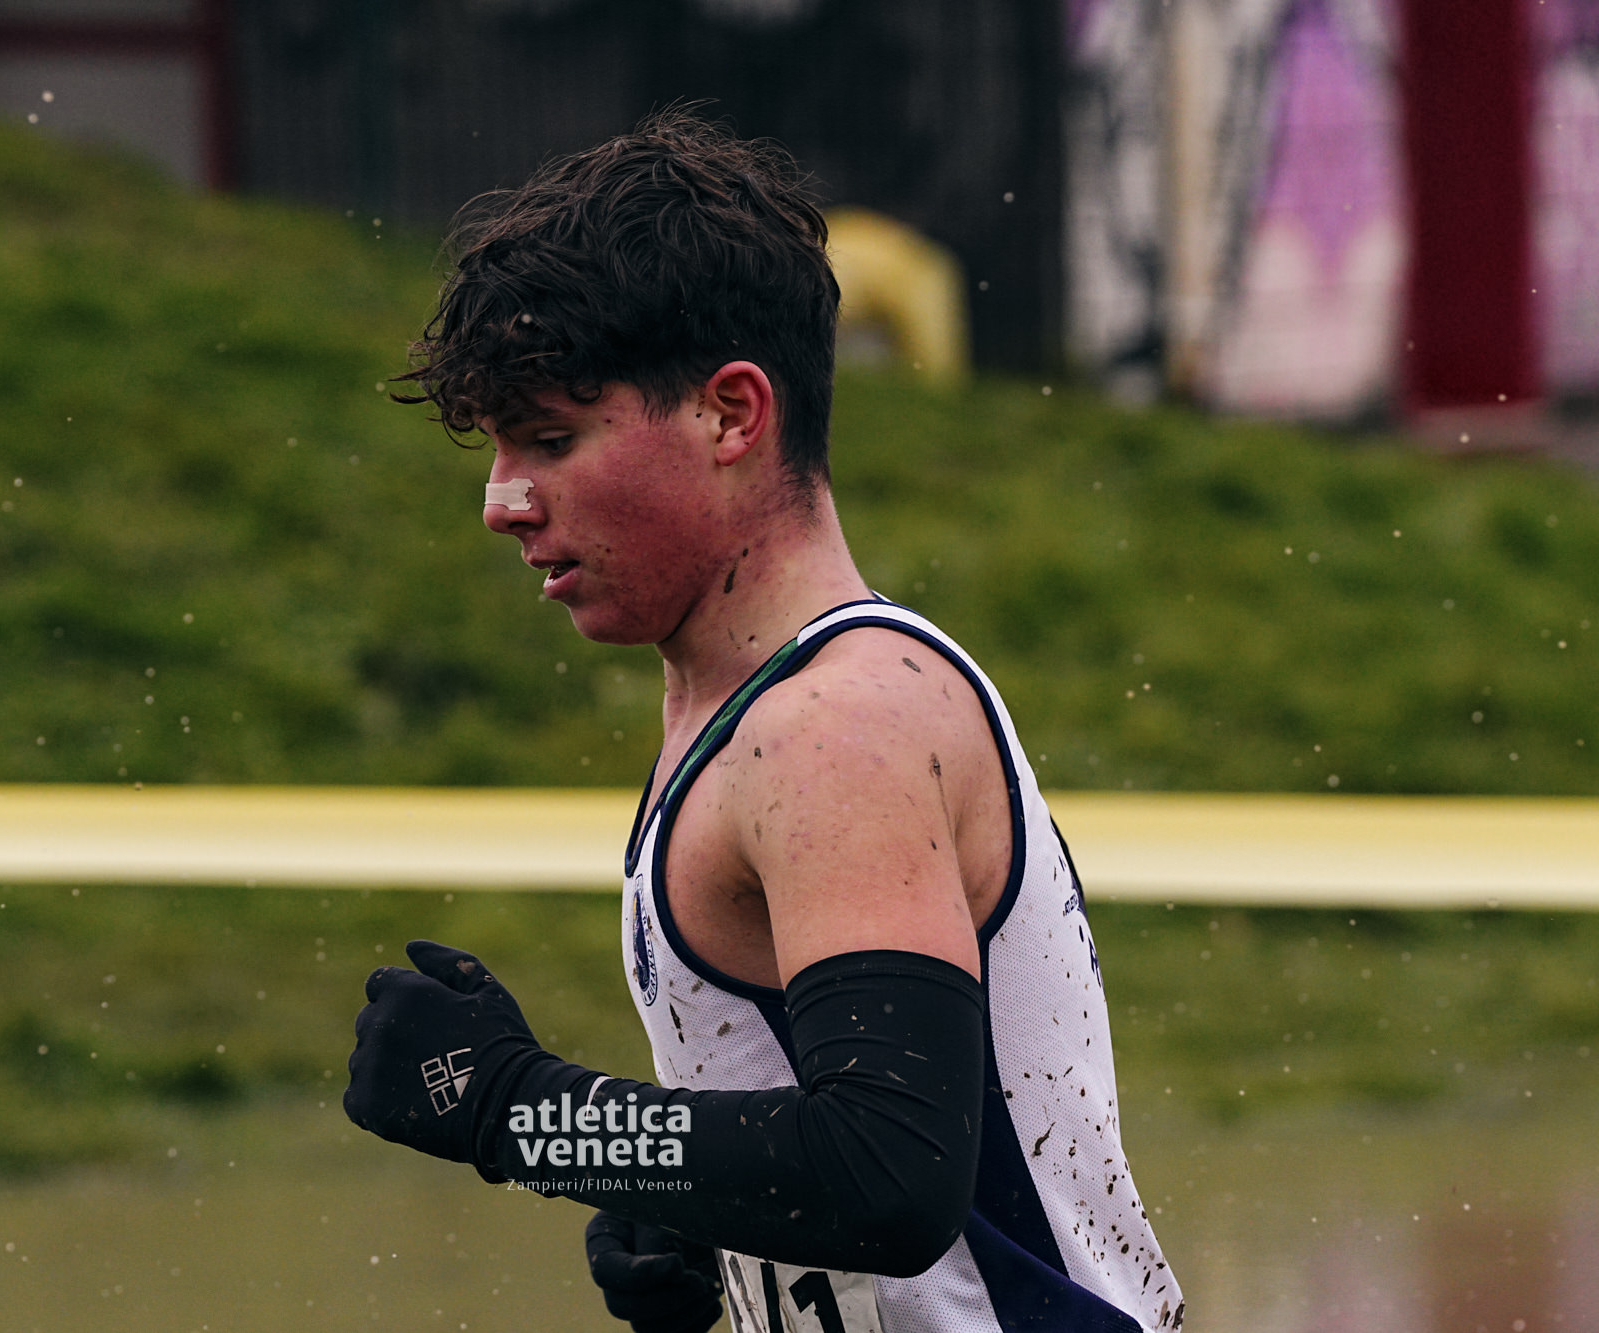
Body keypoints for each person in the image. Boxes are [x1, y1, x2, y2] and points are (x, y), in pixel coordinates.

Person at [343, 110, 1181, 1333]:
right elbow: (875, 1164)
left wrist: (519, 1111)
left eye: (551, 439)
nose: (501, 501)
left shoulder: (831, 724)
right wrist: (700, 1217)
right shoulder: (743, 710)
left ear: (732, 415)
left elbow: (887, 1173)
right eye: (499, 447)